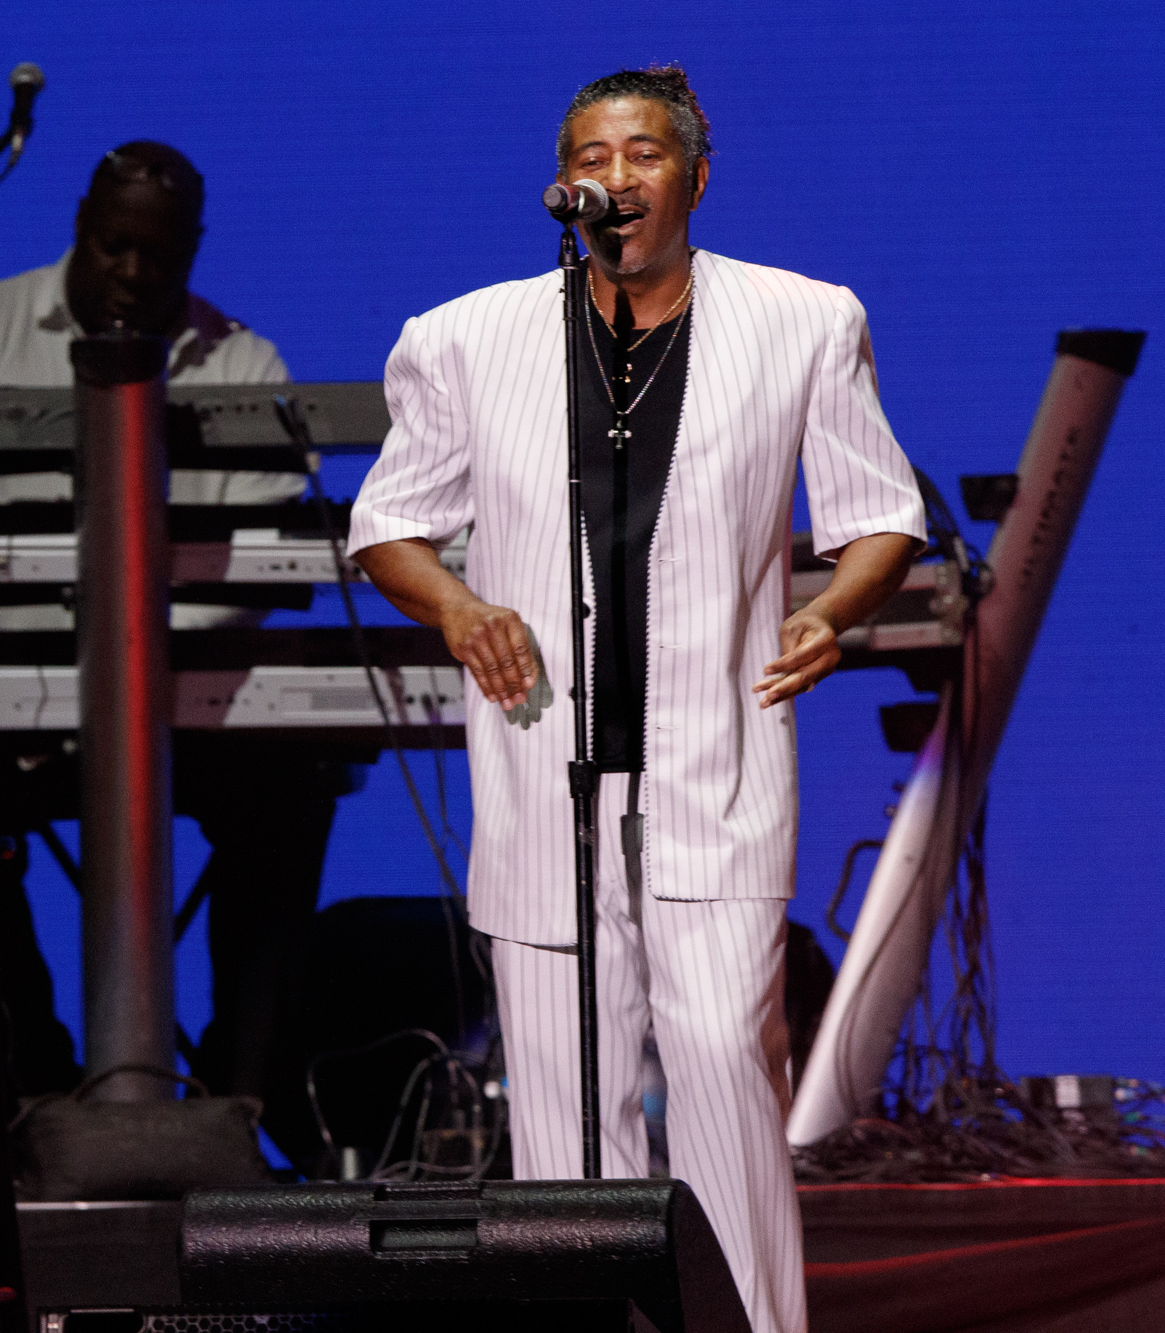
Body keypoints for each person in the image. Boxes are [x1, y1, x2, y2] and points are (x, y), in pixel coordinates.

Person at [349, 67, 924, 1333]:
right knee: (558, 1101)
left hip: (713, 760)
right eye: (588, 152)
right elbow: (386, 524)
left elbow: (881, 513)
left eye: (642, 151)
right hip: (536, 762)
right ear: (561, 181)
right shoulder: (460, 336)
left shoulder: (801, 319)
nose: (615, 172)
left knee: (720, 1060)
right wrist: (456, 606)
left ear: (693, 177)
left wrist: (830, 608)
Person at [0, 142, 355, 1107]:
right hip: (6, 697)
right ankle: (36, 1092)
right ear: (79, 230)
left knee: (294, 795)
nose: (136, 276)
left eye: (162, 256)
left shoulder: (245, 362)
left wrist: (124, 640)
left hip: (191, 701)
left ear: (195, 250)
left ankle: (234, 1102)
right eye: (115, 248)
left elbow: (263, 557)